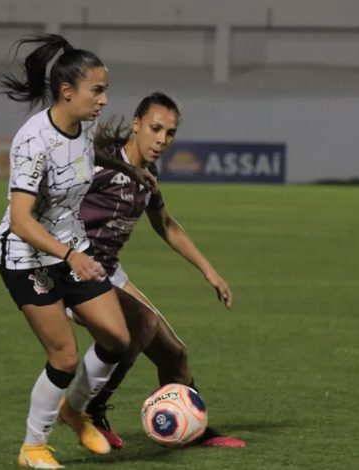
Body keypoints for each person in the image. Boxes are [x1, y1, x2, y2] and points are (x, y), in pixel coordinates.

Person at [0, 34, 154, 469]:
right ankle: (33, 447)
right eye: (97, 90)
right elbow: (23, 221)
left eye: (105, 90)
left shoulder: (84, 127)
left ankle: (73, 410)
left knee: (117, 338)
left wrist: (132, 172)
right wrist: (68, 255)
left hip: (71, 248)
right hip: (28, 258)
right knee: (63, 356)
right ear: (68, 92)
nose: (104, 100)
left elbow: (94, 157)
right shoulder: (32, 141)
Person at [75, 92, 246, 449]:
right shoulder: (99, 166)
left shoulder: (148, 174)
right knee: (143, 323)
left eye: (169, 133)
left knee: (174, 353)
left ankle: (193, 428)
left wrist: (209, 271)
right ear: (136, 124)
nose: (161, 140)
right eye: (155, 128)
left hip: (109, 271)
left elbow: (165, 224)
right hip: (75, 271)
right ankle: (90, 408)